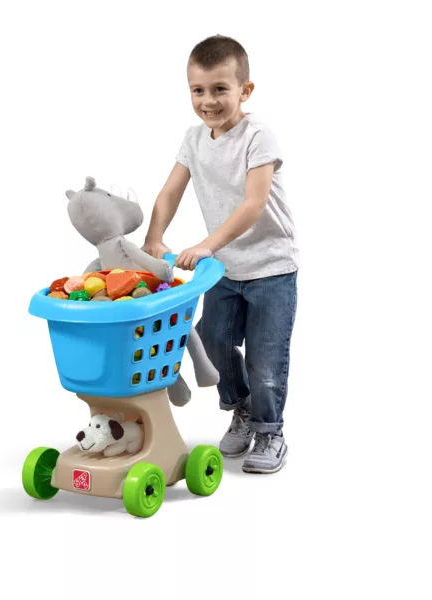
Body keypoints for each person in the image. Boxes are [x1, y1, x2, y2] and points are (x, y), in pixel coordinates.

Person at [142, 35, 299, 474]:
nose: (208, 101)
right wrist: (155, 236)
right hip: (225, 270)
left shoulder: (258, 136)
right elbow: (170, 191)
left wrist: (207, 244)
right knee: (212, 341)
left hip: (271, 268)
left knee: (266, 357)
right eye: (198, 90)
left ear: (245, 90)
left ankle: (270, 429)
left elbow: (253, 202)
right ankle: (242, 409)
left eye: (219, 89)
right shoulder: (193, 140)